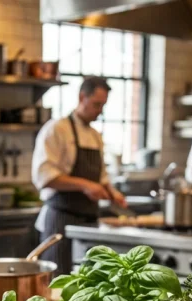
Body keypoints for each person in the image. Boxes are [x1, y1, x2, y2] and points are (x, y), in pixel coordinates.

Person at [32, 76, 126, 272]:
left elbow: (101, 176)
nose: (99, 111)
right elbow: (44, 176)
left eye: (102, 105)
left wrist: (112, 192)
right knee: (57, 283)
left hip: (88, 224)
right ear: (82, 97)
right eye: (96, 104)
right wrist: (85, 185)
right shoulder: (57, 129)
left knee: (85, 284)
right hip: (60, 222)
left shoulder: (95, 136)